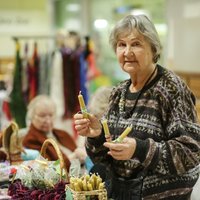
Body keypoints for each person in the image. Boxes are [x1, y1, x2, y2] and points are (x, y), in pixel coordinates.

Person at [74, 14, 200, 200]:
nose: (127, 52)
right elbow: (104, 159)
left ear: (153, 48)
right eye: (121, 44)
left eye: (136, 44)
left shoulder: (170, 88)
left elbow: (190, 153)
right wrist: (97, 135)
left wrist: (139, 149)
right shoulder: (119, 92)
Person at [23, 95, 81, 171]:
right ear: (31, 116)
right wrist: (74, 157)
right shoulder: (30, 140)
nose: (48, 120)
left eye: (51, 115)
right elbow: (49, 169)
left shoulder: (63, 134)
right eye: (42, 116)